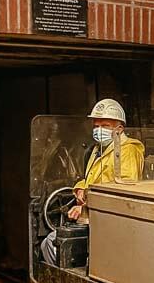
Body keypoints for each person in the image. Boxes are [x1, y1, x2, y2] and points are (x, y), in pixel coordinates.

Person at [40, 99, 145, 266]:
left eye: (105, 125)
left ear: (119, 128)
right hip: (94, 216)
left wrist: (85, 205)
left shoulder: (128, 150)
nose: (99, 130)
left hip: (109, 220)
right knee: (52, 243)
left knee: (53, 244)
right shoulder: (99, 148)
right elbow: (90, 178)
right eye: (96, 125)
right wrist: (80, 189)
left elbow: (123, 190)